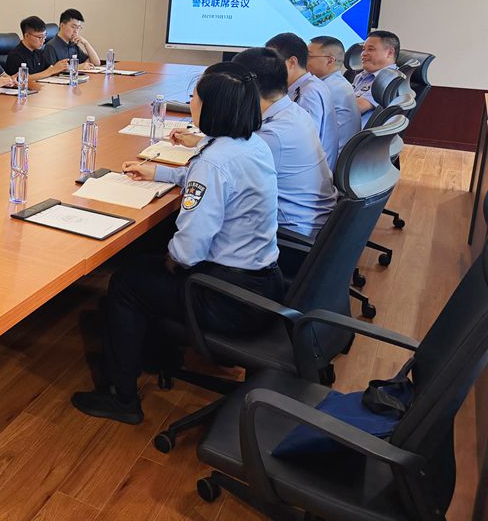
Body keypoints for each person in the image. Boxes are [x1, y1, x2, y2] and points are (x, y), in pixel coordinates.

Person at [71, 62, 283, 424]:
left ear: (212, 108)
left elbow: (188, 251)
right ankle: (159, 355)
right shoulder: (250, 145)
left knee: (127, 283)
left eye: (194, 98)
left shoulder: (214, 162)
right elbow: (209, 178)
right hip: (263, 284)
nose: (190, 103)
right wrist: (161, 172)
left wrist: (170, 260)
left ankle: (120, 396)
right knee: (147, 263)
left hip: (228, 299)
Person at [231, 47, 336, 238]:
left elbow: (218, 178)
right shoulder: (293, 113)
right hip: (313, 221)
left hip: (289, 233)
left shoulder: (272, 136)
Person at [266, 32, 339, 169]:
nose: (268, 69)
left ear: (292, 62)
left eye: (273, 63)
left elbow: (302, 144)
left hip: (312, 172)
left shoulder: (309, 93)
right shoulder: (307, 85)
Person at [308, 35, 362, 158]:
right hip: (336, 155)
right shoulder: (335, 82)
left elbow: (307, 135)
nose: (303, 61)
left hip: (329, 160)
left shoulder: (326, 89)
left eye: (309, 56)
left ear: (330, 61)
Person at [353, 30, 400, 126]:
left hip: (355, 133)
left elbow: (354, 108)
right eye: (363, 49)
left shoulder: (389, 80)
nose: (363, 54)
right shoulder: (362, 76)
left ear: (389, 53)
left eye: (370, 49)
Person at [3, 15, 70, 80]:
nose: (43, 40)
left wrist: (60, 68)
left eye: (45, 36)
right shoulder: (15, 56)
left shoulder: (38, 52)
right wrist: (52, 71)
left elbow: (49, 68)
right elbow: (24, 79)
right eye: (40, 37)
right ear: (27, 36)